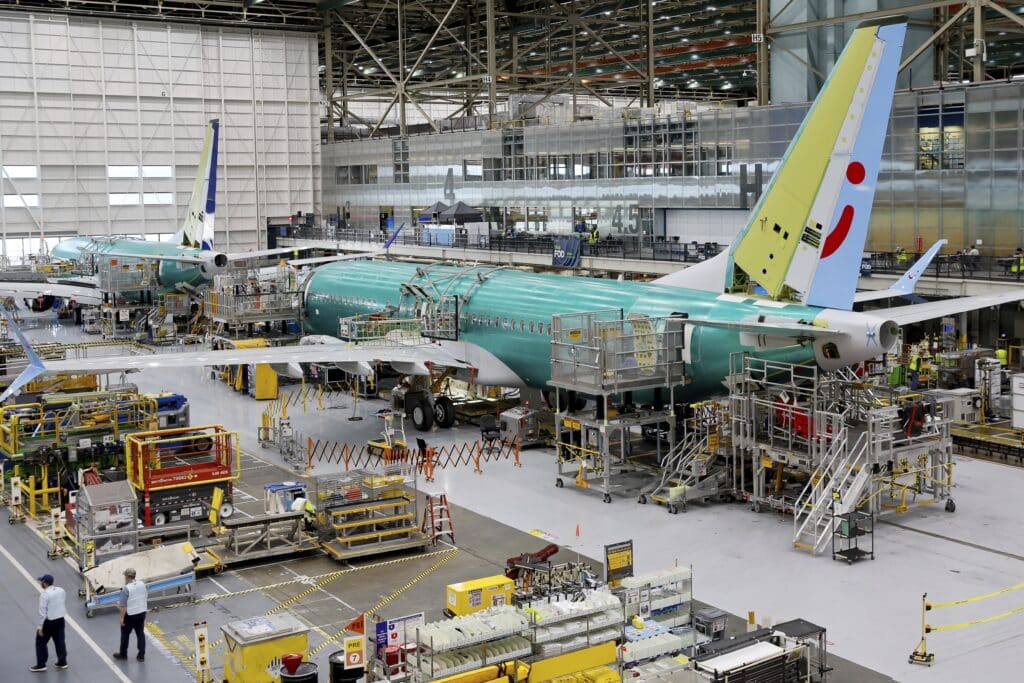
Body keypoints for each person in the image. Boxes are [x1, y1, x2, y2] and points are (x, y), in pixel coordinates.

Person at [32, 574, 68, 673]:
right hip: (60, 619)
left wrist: (40, 627)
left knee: (41, 642)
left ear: (45, 583)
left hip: (49, 621)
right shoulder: (61, 590)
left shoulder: (45, 594)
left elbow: (43, 612)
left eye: (41, 582)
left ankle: (41, 664)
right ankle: (62, 662)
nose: (40, 583)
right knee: (60, 641)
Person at [113, 567, 147, 662]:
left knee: (125, 634)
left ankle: (123, 654)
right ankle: (141, 655)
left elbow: (123, 606)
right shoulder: (142, 584)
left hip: (130, 615)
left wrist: (121, 618)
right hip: (141, 612)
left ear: (127, 577)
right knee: (140, 633)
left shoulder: (126, 589)